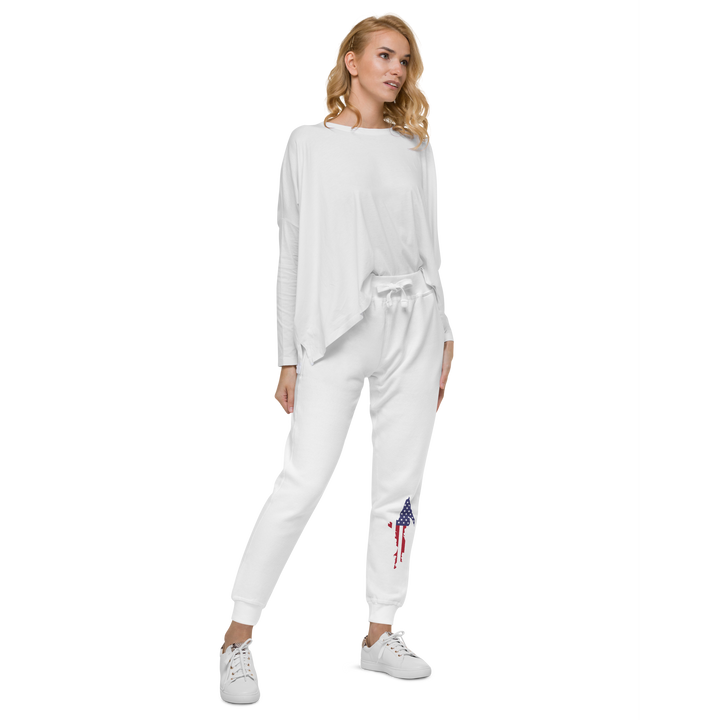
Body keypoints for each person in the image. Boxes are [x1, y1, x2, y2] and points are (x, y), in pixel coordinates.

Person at [217, 9, 456, 704]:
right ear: (350, 60)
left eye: (405, 60)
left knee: (401, 486)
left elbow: (433, 246)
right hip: (335, 332)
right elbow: (288, 252)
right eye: (383, 55)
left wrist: (446, 333)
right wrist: (285, 357)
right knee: (303, 481)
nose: (396, 69)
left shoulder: (416, 146)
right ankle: (238, 636)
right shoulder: (308, 143)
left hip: (415, 326)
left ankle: (381, 632)